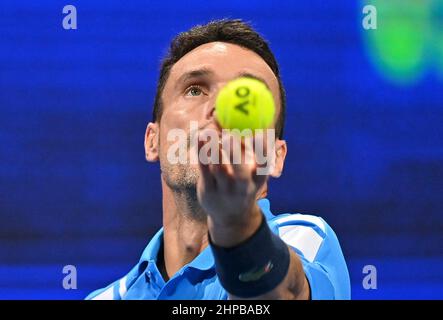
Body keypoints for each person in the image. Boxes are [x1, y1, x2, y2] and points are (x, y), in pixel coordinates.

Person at [87, 19, 350, 300]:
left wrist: (237, 226)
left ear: (275, 156)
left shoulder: (305, 239)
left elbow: (284, 292)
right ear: (153, 139)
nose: (220, 109)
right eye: (195, 89)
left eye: (245, 98)